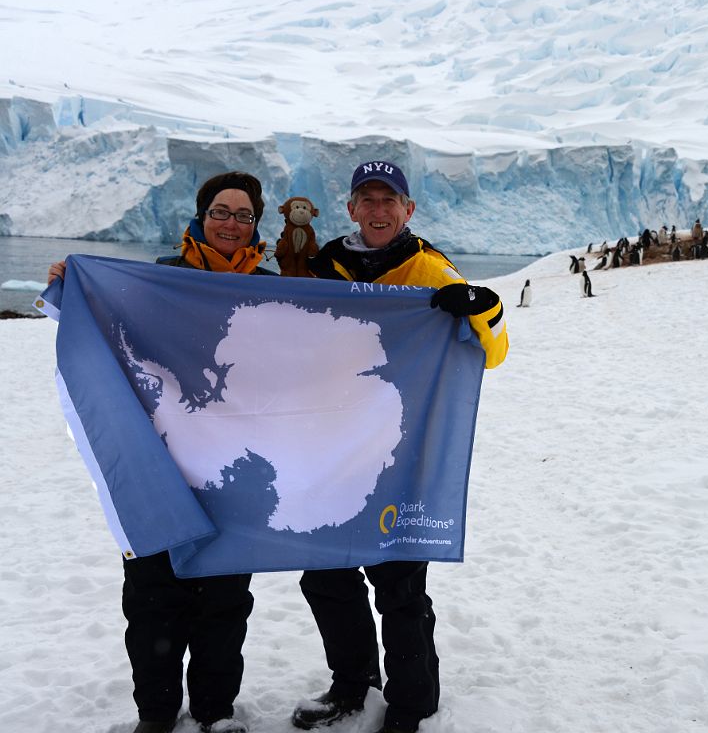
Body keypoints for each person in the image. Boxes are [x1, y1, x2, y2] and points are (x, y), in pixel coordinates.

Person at [49, 171, 274, 733]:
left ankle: (214, 712)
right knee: (152, 597)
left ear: (255, 227)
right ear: (199, 218)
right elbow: (105, 324)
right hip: (158, 463)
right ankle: (155, 714)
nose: (231, 223)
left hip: (235, 468)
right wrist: (71, 285)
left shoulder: (273, 290)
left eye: (244, 215)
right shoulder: (155, 281)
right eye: (221, 211)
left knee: (224, 600)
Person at [291, 160, 508, 733]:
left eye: (391, 200)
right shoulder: (320, 268)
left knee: (399, 582)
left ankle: (413, 703)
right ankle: (352, 684)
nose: (379, 210)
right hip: (329, 448)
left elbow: (494, 349)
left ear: (408, 210)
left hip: (397, 452)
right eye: (369, 199)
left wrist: (481, 306)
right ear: (351, 209)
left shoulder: (430, 270)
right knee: (327, 576)